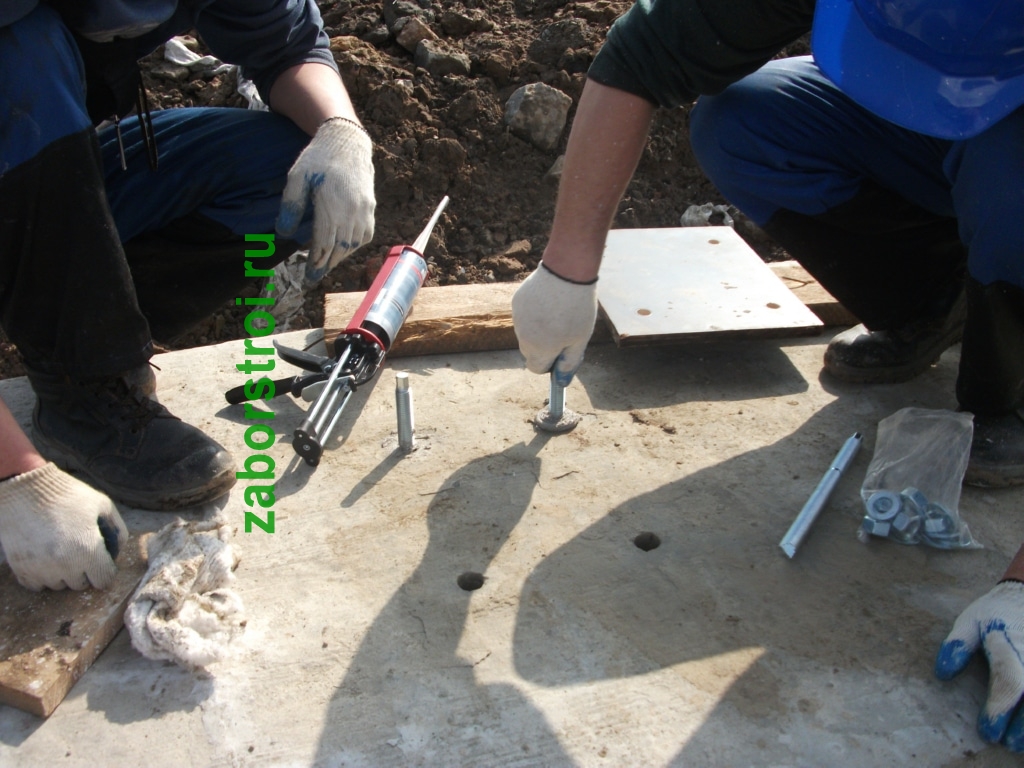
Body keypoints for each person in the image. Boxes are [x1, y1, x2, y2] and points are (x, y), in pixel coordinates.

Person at [511, 0, 1024, 752]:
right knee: (744, 118)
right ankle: (935, 304)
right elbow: (641, 55)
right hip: (939, 140)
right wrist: (567, 270)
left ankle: (1010, 389)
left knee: (1012, 189)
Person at [0, 1, 375, 586]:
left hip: (49, 174)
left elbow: (290, 46)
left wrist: (341, 132)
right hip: (22, 151)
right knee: (25, 53)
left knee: (289, 174)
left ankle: (91, 343)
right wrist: (16, 478)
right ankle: (82, 389)